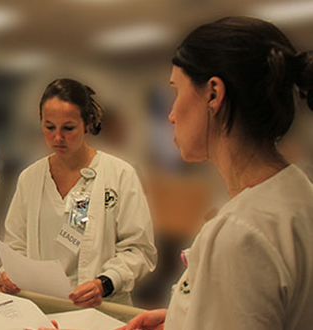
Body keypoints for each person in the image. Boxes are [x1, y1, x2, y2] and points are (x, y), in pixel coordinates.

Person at [112, 16, 313, 330]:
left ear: (213, 94)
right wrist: (182, 317)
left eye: (176, 91)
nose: (171, 114)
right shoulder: (297, 192)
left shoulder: (240, 234)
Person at [0, 78, 157, 307]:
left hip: (101, 308)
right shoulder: (30, 179)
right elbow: (15, 245)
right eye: (49, 127)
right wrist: (8, 273)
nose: (58, 137)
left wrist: (105, 282)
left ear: (87, 124)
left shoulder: (119, 174)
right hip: (43, 307)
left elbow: (139, 250)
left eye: (68, 128)